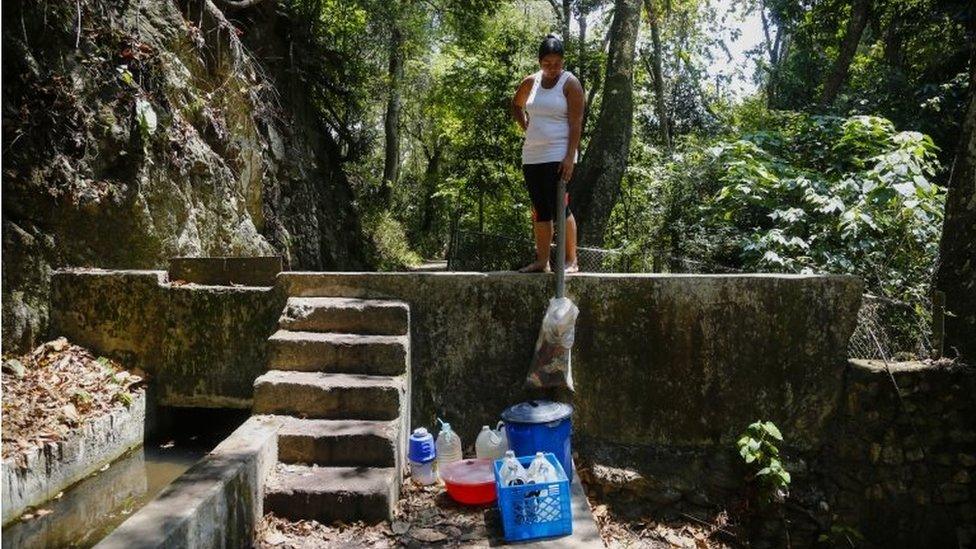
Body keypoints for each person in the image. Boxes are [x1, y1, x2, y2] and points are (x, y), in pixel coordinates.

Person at [511, 34, 584, 273]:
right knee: (540, 208)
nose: (552, 68)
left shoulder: (570, 83)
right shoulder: (531, 82)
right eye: (546, 64)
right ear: (539, 62)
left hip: (558, 153)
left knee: (559, 206)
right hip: (532, 155)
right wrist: (526, 127)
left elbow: (576, 123)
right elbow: (516, 104)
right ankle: (543, 261)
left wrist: (569, 157)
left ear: (562, 61)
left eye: (557, 63)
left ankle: (571, 259)